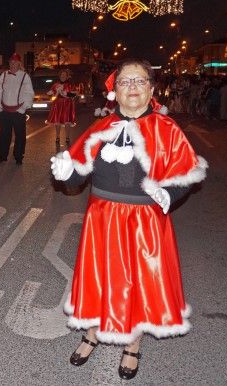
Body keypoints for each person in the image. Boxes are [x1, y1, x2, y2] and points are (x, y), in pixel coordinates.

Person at [50, 59, 208, 380]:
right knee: (99, 277)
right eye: (124, 81)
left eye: (139, 81)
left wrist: (170, 194)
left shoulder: (167, 129)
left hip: (144, 222)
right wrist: (68, 173)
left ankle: (132, 346)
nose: (132, 87)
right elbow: (78, 172)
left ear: (151, 89)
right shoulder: (100, 128)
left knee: (139, 283)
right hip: (102, 218)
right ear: (115, 91)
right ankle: (92, 334)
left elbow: (187, 172)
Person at [0, 53, 34, 165]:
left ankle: (18, 156)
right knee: (4, 134)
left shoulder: (25, 76)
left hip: (18, 111)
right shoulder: (4, 75)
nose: (12, 64)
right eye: (11, 62)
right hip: (5, 111)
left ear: (19, 64)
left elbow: (29, 93)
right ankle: (2, 156)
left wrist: (23, 107)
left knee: (20, 135)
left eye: (15, 62)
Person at [47, 68, 77, 147]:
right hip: (58, 104)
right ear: (59, 76)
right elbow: (51, 93)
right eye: (61, 75)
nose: (62, 76)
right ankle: (57, 137)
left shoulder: (70, 85)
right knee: (57, 121)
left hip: (67, 104)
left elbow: (74, 94)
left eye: (64, 75)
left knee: (67, 121)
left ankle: (67, 137)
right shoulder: (55, 84)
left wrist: (67, 93)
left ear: (67, 76)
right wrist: (50, 93)